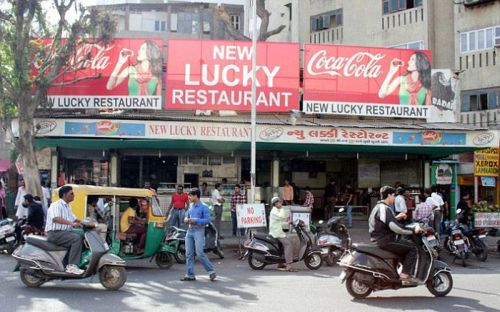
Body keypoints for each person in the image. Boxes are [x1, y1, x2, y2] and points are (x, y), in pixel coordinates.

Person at [368, 186, 423, 283]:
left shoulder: (378, 207)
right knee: (412, 248)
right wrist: (414, 230)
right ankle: (405, 275)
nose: (394, 198)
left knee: (403, 247)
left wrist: (396, 218)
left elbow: (384, 222)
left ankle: (397, 270)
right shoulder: (384, 208)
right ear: (389, 195)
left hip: (378, 239)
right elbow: (397, 229)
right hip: (385, 240)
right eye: (393, 195)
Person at [45, 186, 85, 275]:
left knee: (82, 235)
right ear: (64, 195)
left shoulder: (67, 206)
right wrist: (71, 224)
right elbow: (56, 218)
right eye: (71, 193)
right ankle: (72, 266)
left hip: (64, 233)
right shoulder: (56, 205)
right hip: (55, 233)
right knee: (76, 238)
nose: (73, 195)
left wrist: (87, 223)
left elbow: (74, 218)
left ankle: (72, 262)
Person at [181, 189, 216, 282]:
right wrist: (186, 219)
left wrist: (195, 220)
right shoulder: (191, 206)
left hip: (199, 231)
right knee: (188, 254)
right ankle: (190, 274)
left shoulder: (204, 207)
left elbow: (208, 220)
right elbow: (186, 216)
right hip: (190, 230)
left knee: (200, 253)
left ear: (196, 196)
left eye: (191, 196)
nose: (189, 197)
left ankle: (211, 271)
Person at [269, 197, 295, 272]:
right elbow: (282, 216)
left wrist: (288, 222)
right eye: (280, 202)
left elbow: (281, 220)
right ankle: (288, 265)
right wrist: (283, 209)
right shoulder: (275, 211)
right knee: (288, 245)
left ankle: (280, 263)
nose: (281, 203)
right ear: (276, 203)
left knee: (282, 246)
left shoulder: (276, 210)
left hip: (277, 231)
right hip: (276, 233)